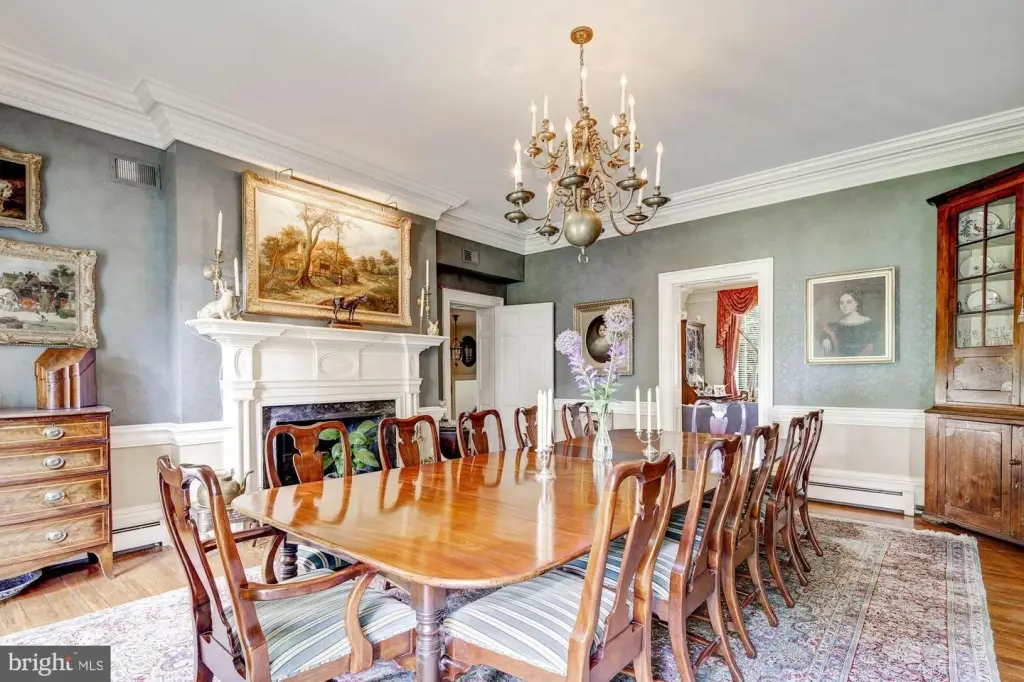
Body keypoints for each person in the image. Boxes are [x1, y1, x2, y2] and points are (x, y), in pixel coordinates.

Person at [818, 286, 880, 356]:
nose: (844, 306)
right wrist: (825, 339)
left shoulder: (869, 323)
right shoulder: (838, 325)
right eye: (842, 303)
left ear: (856, 303)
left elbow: (877, 344)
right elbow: (826, 333)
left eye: (848, 302)